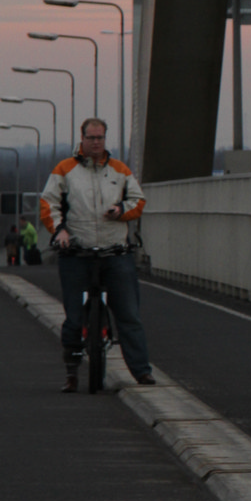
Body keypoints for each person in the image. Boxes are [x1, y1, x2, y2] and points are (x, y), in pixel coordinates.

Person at [40, 117, 156, 392]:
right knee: (73, 317)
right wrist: (60, 231)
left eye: (100, 137)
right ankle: (71, 373)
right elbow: (48, 203)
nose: (96, 142)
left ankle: (142, 371)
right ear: (82, 139)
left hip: (115, 252)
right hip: (77, 252)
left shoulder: (119, 170)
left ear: (105, 138)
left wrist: (121, 211)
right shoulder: (65, 169)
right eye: (91, 138)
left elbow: (138, 200)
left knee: (129, 315)